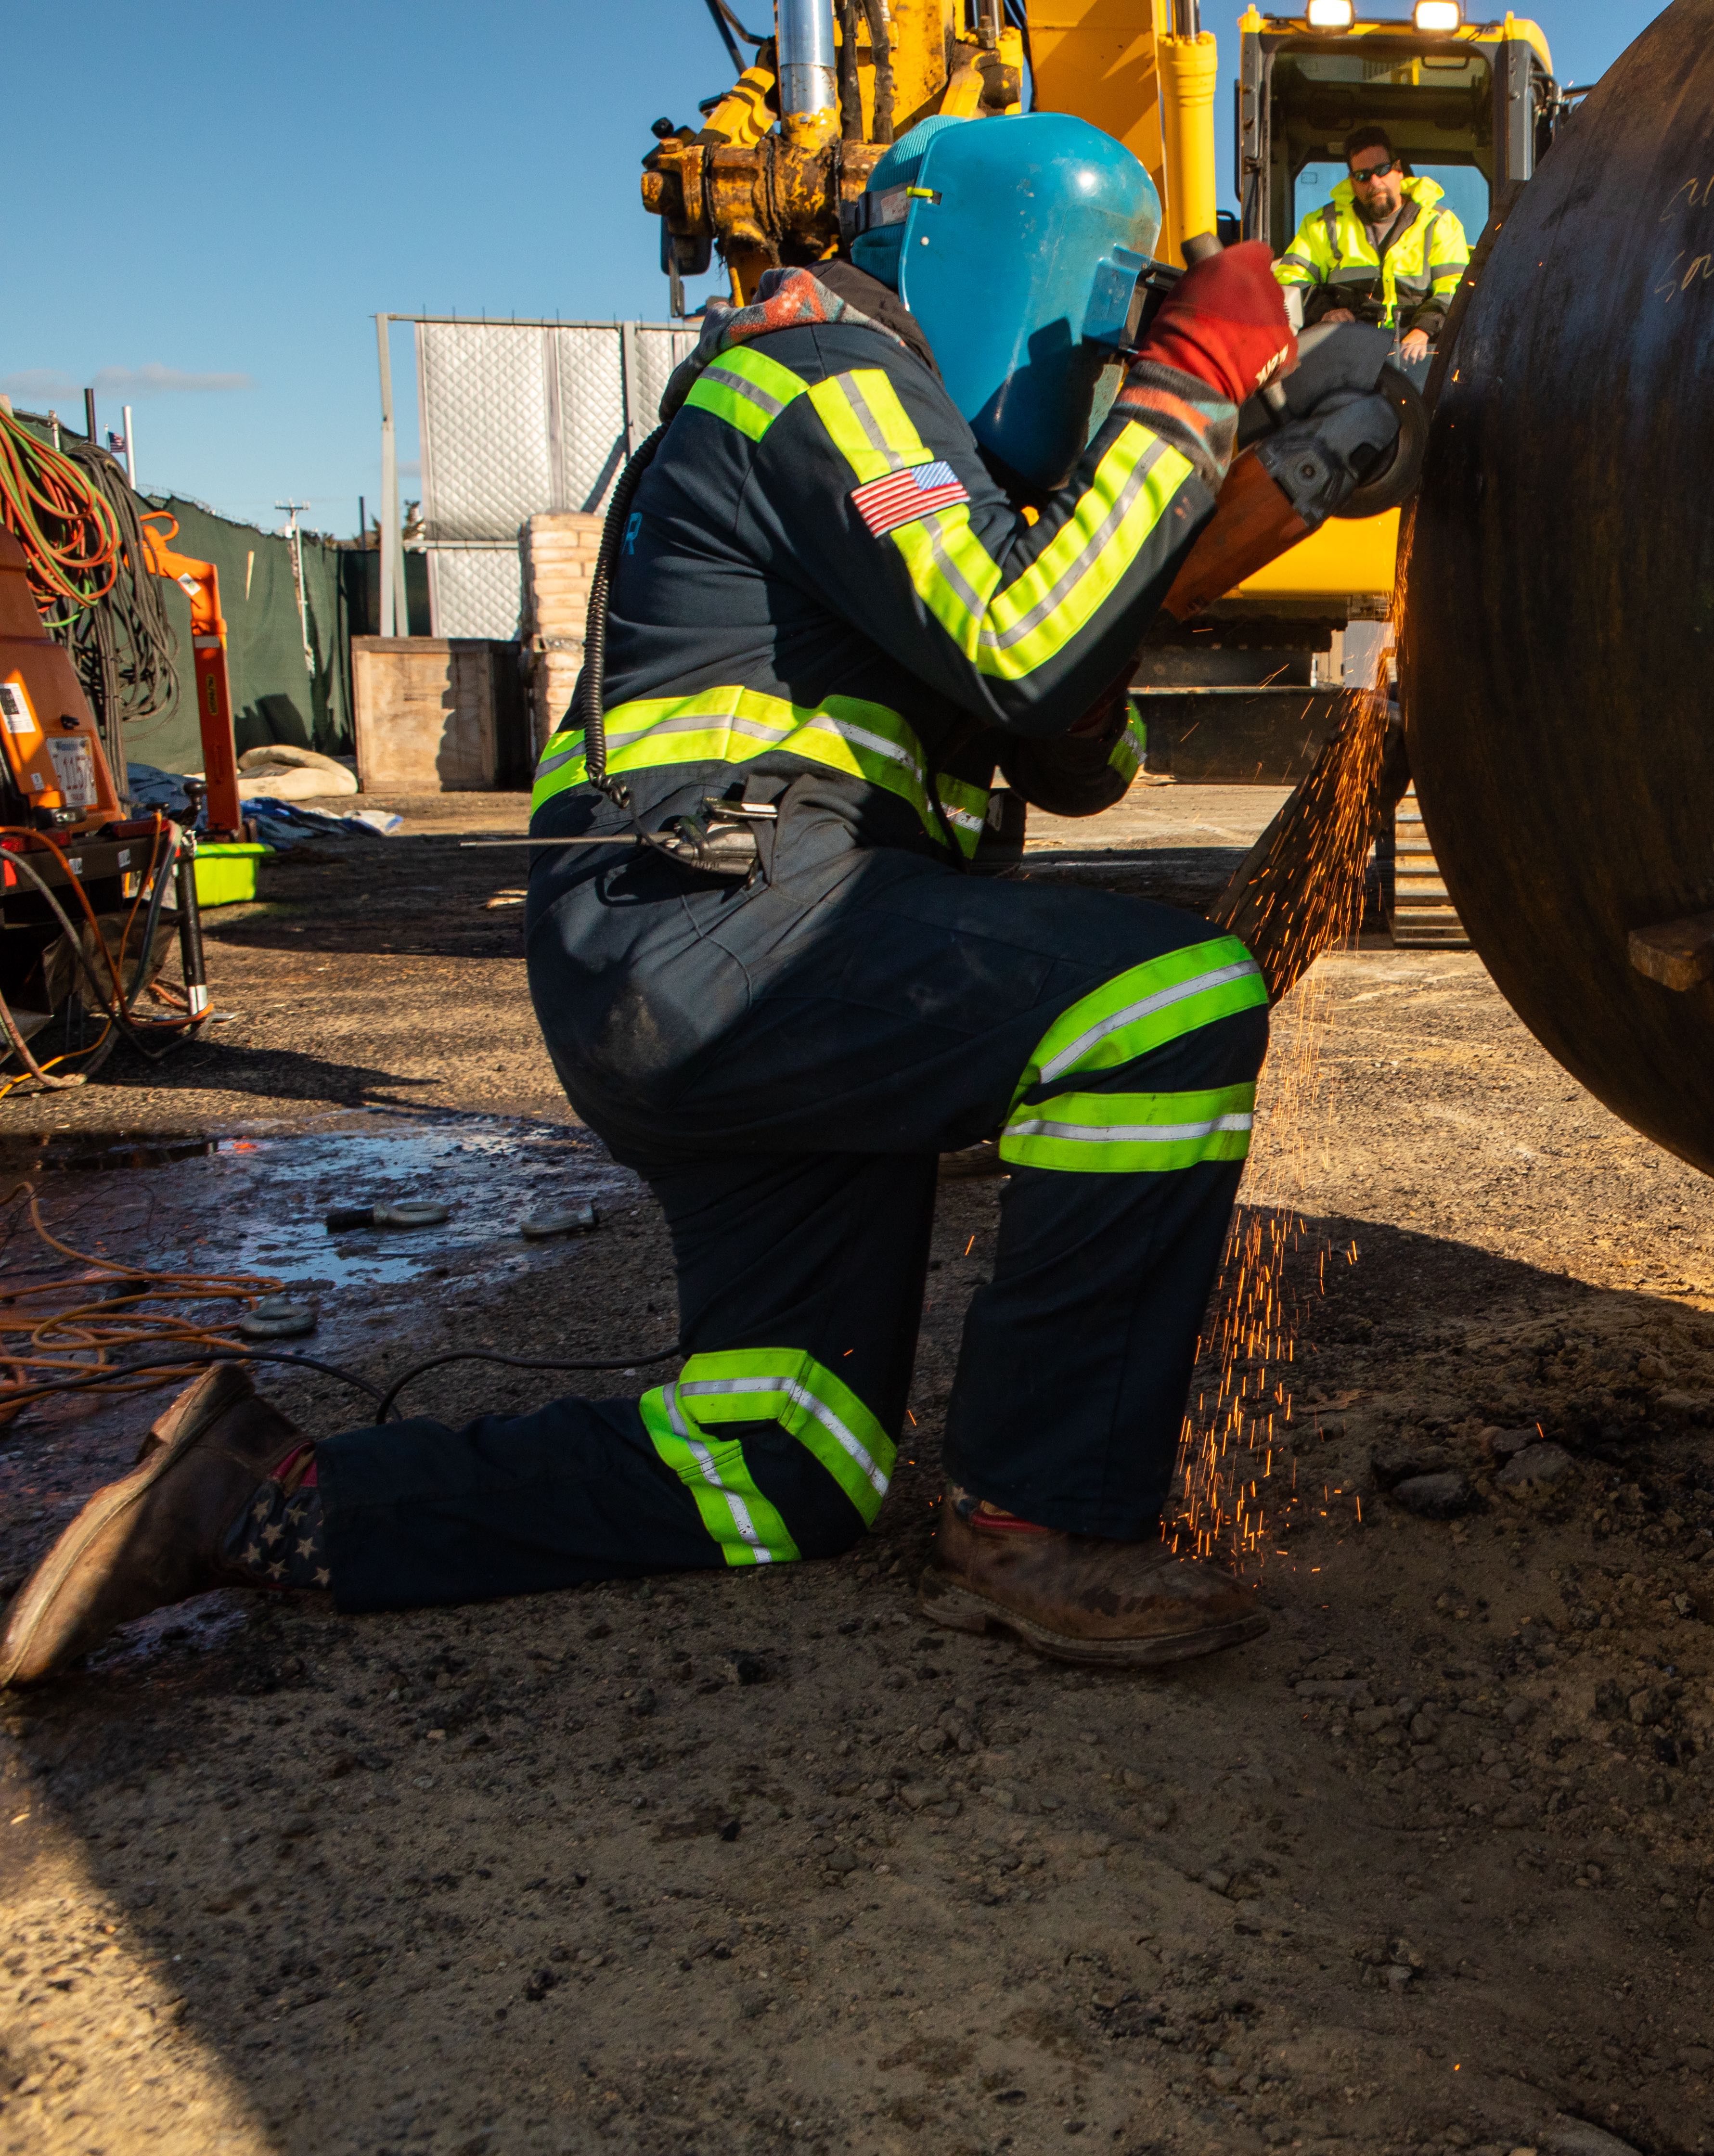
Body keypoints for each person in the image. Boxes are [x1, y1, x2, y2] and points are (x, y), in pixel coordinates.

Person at [0, 113, 1408, 1686]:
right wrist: (1196, 388)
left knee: (788, 1465)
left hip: (744, 958)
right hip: (725, 935)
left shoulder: (935, 478)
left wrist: (1275, 473)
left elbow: (1076, 739)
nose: (1105, 366)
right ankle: (1048, 1516)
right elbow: (1032, 649)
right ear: (1005, 268)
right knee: (1168, 994)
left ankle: (260, 1502)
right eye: (1103, 320)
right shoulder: (825, 377)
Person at [1273, 127, 1473, 369]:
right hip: (1343, 361)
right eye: (1362, 176)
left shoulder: (1439, 224)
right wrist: (1325, 313)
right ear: (1352, 182)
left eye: (1382, 170)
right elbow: (1290, 282)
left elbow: (1456, 289)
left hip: (1420, 365)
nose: (1374, 182)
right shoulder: (1322, 226)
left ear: (1398, 170)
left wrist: (1423, 330)